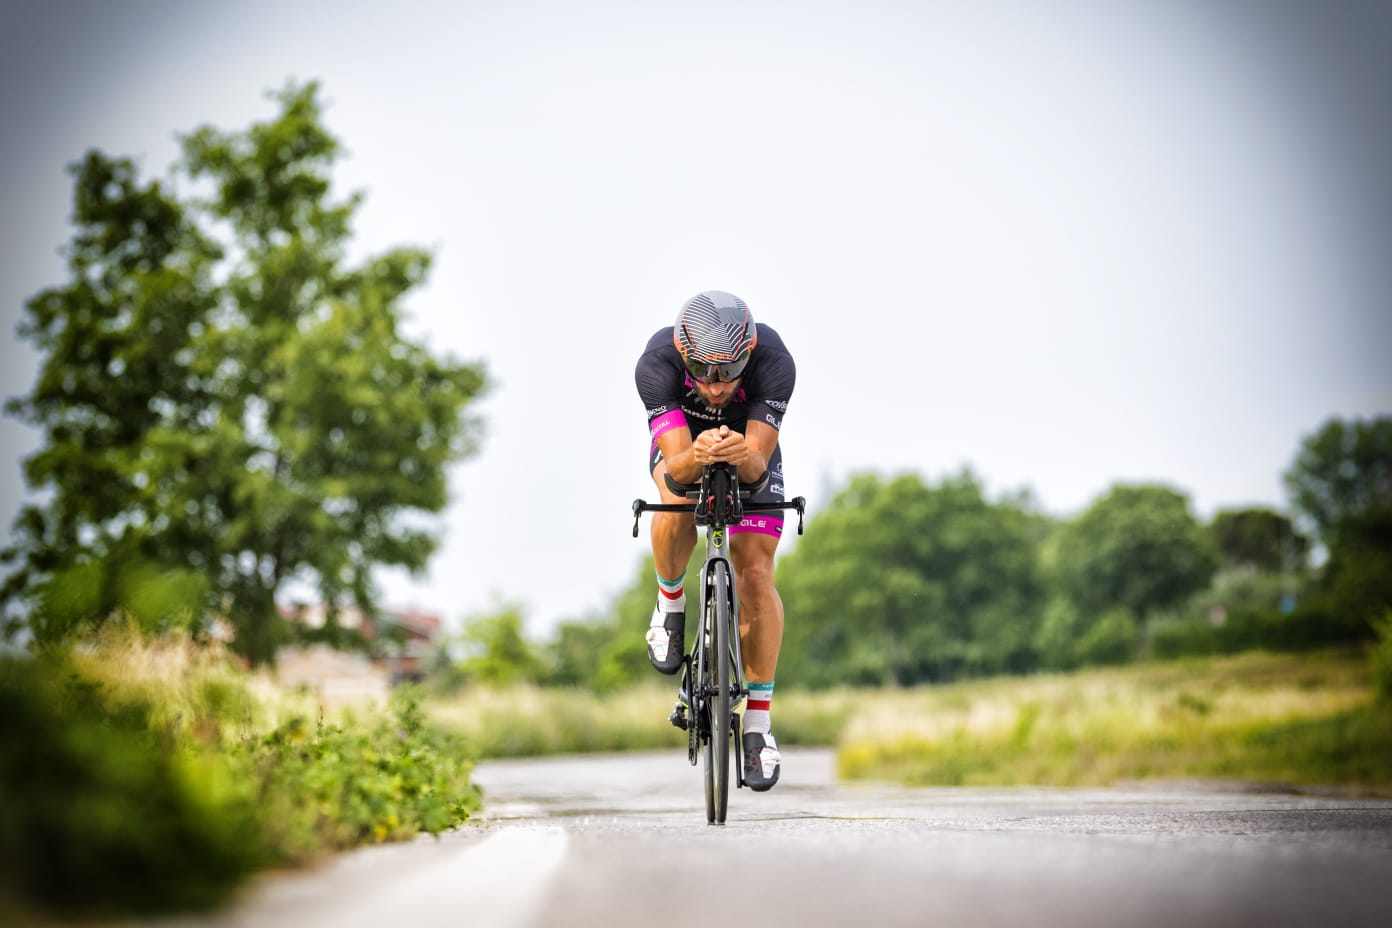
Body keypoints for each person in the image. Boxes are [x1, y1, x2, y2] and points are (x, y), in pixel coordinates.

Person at [634, 290, 796, 791]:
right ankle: (670, 601)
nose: (717, 385)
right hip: (687, 448)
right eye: (704, 372)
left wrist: (739, 451)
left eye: (729, 372)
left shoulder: (774, 361)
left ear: (748, 352)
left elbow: (756, 467)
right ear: (685, 357)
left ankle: (759, 725)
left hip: (750, 448)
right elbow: (678, 470)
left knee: (753, 573)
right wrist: (701, 453)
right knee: (675, 501)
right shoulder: (656, 363)